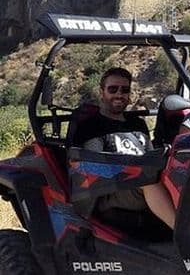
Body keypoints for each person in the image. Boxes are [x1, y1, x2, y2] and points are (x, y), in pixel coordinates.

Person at [71, 67, 176, 229]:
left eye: (124, 90)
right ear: (102, 92)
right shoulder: (92, 127)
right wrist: (132, 170)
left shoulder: (138, 124)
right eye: (113, 89)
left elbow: (150, 157)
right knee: (149, 182)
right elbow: (93, 167)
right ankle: (185, 237)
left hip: (139, 182)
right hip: (112, 190)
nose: (119, 95)